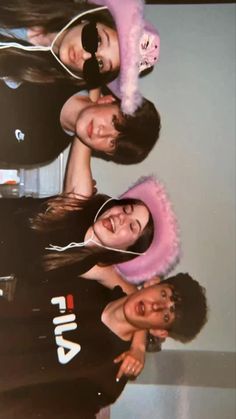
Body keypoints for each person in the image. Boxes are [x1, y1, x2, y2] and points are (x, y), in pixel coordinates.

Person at [0, 271, 208, 418]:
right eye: (163, 294)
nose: (156, 306)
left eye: (165, 315)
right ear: (153, 283)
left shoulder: (109, 376)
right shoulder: (95, 279)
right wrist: (139, 345)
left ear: (159, 331)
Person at [0, 0, 160, 114]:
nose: (84, 55)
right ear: (88, 18)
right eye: (96, 40)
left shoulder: (27, 81)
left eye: (99, 63)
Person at [0, 81, 160, 167]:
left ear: (105, 152)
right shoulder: (67, 71)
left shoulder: (44, 150)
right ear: (108, 100)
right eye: (113, 121)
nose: (101, 132)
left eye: (112, 142)